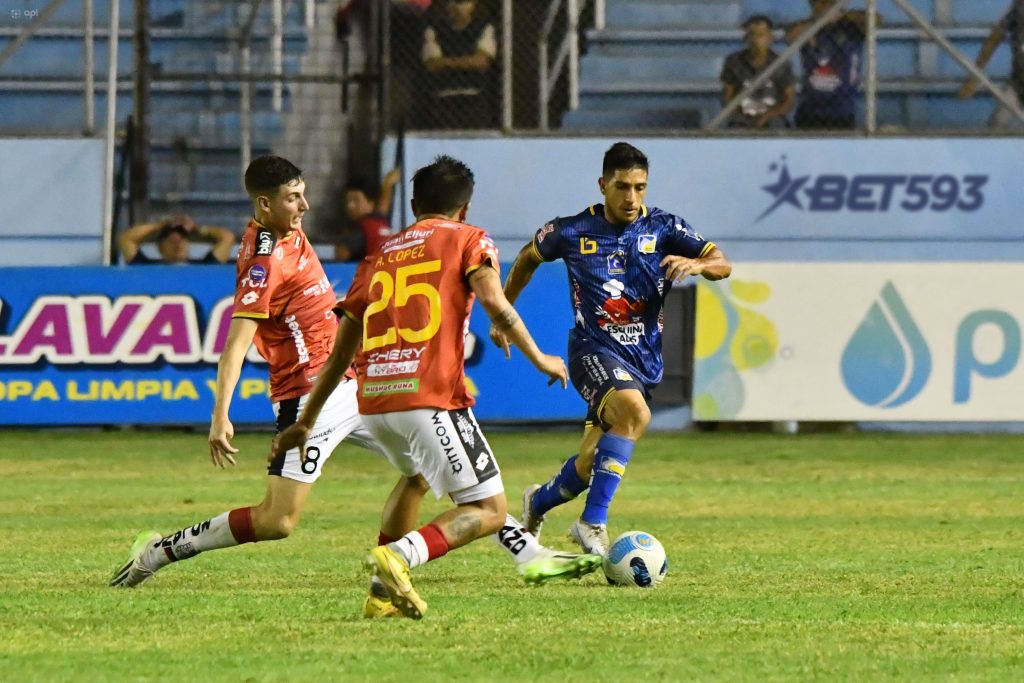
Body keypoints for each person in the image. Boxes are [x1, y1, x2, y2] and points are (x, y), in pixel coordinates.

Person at [110, 155, 595, 619]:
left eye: (303, 195)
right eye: (293, 198)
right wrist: (222, 414)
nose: (304, 207)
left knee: (426, 472)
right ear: (264, 205)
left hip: (359, 381)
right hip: (310, 391)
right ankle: (160, 550)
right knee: (277, 522)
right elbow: (237, 343)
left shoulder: (308, 238)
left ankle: (489, 563)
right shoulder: (263, 264)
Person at [273, 155, 599, 620]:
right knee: (487, 508)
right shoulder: (469, 239)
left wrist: (305, 421)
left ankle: (379, 596)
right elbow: (494, 300)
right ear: (464, 209)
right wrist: (539, 355)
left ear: (412, 204)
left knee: (417, 479)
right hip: (428, 397)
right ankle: (399, 557)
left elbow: (342, 351)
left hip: (375, 401)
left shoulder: (379, 254)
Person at [492, 142, 732, 557]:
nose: (631, 198)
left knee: (589, 464)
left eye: (640, 188)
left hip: (642, 362)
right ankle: (592, 522)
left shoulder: (664, 228)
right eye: (622, 187)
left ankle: (540, 501)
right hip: (591, 351)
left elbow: (722, 262)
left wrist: (699, 265)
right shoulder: (569, 231)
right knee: (636, 414)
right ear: (603, 185)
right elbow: (528, 258)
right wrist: (504, 312)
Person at [786, 0, 881, 130]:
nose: (821, 6)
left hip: (842, 110)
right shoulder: (806, 27)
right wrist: (819, 20)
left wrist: (842, 14)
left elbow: (877, 20)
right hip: (809, 109)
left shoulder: (852, 26)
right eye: (818, 3)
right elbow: (789, 37)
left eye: (827, 3)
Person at [419, 0, 498, 129]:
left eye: (464, 3)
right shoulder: (434, 29)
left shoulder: (484, 27)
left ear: (474, 5)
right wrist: (468, 61)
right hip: (442, 99)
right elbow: (432, 64)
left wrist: (446, 62)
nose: (459, 8)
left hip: (474, 98)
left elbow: (481, 62)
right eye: (454, 2)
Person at [721, 15, 796, 129]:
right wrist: (738, 116)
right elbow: (727, 95)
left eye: (761, 35)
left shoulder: (780, 63)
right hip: (742, 118)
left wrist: (769, 115)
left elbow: (789, 99)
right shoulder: (734, 61)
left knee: (777, 128)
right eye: (752, 34)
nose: (755, 40)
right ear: (746, 38)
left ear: (770, 38)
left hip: (772, 119)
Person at [959, 0, 1024, 128]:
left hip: (1016, 82)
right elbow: (994, 39)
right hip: (1017, 83)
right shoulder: (1018, 7)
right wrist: (974, 75)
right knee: (996, 127)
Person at [334, 168, 401, 261]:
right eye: (348, 201)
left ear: (371, 203)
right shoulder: (380, 223)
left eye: (355, 200)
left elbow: (340, 260)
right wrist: (388, 184)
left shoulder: (358, 233)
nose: (350, 205)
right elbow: (383, 206)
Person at [118, 215, 235, 264]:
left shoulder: (203, 268)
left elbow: (227, 237)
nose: (178, 245)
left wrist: (197, 230)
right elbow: (126, 239)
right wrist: (159, 225)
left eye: (183, 240)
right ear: (160, 247)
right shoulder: (148, 269)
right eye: (172, 242)